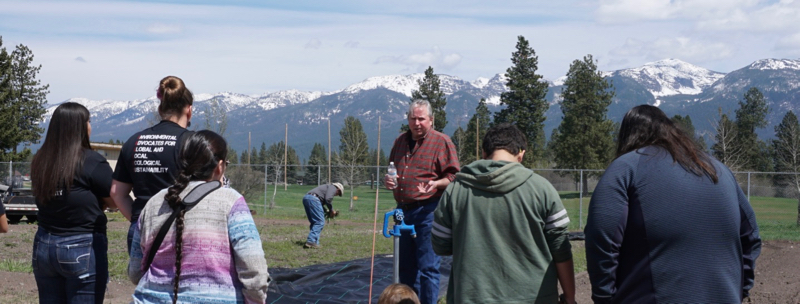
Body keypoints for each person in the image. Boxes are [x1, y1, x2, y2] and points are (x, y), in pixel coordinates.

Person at [585, 105, 762, 304]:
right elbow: (751, 235)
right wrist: (740, 289)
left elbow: (602, 235)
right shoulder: (718, 169)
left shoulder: (625, 168)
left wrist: (603, 296)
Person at [432, 123, 576, 304]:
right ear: (521, 154)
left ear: (484, 153)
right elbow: (561, 250)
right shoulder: (542, 189)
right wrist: (570, 298)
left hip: (471, 297)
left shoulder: (455, 190)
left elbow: (440, 245)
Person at [128, 130, 270, 303]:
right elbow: (254, 270)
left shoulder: (154, 203)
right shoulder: (231, 201)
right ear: (220, 166)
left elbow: (135, 271)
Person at [29, 102, 115, 303]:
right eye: (89, 121)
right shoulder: (92, 161)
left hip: (44, 243)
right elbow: (114, 201)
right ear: (81, 127)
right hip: (82, 244)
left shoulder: (40, 160)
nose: (90, 126)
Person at [383, 99, 460, 304]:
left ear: (431, 120)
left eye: (421, 119)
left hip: (428, 211)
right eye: (413, 118)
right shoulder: (399, 141)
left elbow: (454, 176)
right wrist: (389, 180)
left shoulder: (441, 141)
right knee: (405, 267)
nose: (417, 123)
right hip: (402, 211)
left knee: (428, 267)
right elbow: (392, 169)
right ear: (407, 119)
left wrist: (436, 183)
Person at [111, 75, 194, 253]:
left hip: (142, 228)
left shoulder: (134, 141)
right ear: (189, 110)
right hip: (180, 228)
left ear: (160, 108)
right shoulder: (192, 142)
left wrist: (137, 219)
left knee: (143, 279)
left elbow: (117, 193)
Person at [302, 182, 343, 248]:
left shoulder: (326, 188)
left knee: (314, 222)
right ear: (338, 189)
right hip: (314, 199)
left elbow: (320, 204)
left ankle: (315, 242)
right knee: (319, 222)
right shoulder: (333, 187)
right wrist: (331, 210)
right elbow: (328, 199)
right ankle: (311, 241)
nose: (336, 195)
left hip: (307, 198)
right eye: (338, 193)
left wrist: (326, 211)